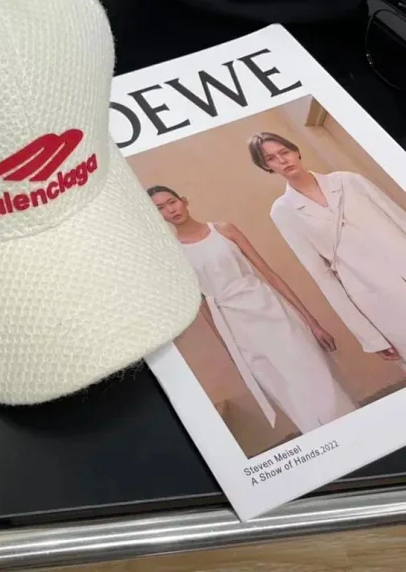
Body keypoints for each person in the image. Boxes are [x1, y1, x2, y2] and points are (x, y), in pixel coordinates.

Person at [149, 185, 356, 433]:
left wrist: (312, 323)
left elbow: (269, 274)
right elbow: (202, 304)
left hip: (269, 308)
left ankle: (352, 427)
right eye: (160, 208)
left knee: (312, 371)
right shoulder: (174, 254)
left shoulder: (224, 230)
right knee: (282, 386)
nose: (170, 210)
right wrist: (231, 351)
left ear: (183, 201)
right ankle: (322, 440)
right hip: (234, 325)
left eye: (172, 202)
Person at [249, 131, 406, 363]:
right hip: (375, 294)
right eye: (271, 158)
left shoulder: (349, 181)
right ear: (266, 167)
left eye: (284, 152)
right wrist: (369, 337)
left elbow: (400, 219)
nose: (282, 160)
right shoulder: (283, 211)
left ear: (296, 152)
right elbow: (321, 275)